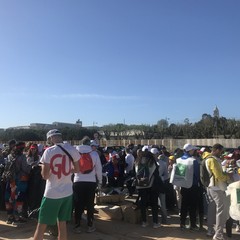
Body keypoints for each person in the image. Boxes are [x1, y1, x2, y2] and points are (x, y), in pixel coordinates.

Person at [33, 129, 80, 240]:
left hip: (52, 193)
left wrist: (47, 170)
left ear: (51, 138)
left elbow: (45, 176)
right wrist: (66, 171)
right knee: (62, 224)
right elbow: (77, 169)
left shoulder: (49, 151)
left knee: (41, 225)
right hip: (68, 192)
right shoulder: (72, 149)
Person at [73, 136, 102, 234]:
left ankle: (77, 226)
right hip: (91, 182)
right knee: (90, 204)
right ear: (89, 144)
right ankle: (90, 225)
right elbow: (99, 169)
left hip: (78, 181)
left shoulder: (75, 153)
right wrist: (100, 181)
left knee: (78, 204)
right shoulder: (94, 154)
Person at [205, 143, 232, 240]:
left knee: (211, 209)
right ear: (216, 150)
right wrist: (228, 176)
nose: (221, 153)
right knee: (221, 211)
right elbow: (219, 176)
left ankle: (210, 229)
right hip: (217, 188)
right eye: (220, 151)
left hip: (210, 187)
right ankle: (219, 234)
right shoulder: (213, 160)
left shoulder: (208, 158)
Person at [135, 146, 160, 229]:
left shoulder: (137, 161)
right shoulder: (152, 161)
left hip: (141, 185)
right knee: (154, 204)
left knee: (143, 204)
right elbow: (156, 175)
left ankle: (144, 222)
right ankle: (155, 223)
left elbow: (135, 173)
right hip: (152, 186)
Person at [178, 143, 201, 231]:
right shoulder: (193, 161)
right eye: (193, 150)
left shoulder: (179, 159)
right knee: (193, 206)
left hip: (183, 185)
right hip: (193, 185)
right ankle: (193, 225)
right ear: (190, 150)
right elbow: (197, 175)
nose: (194, 151)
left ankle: (182, 223)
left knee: (184, 205)